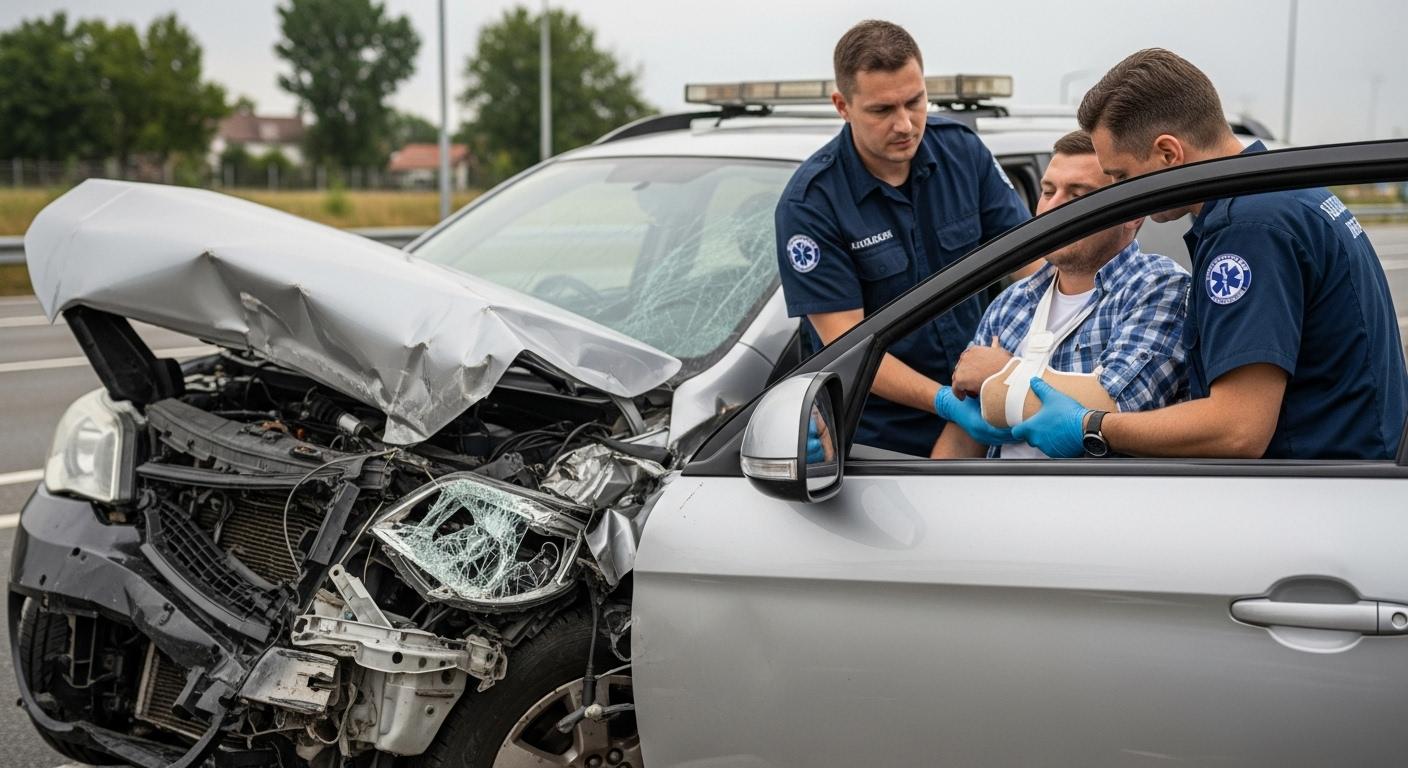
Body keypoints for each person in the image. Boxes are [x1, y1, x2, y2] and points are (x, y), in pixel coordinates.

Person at [1015, 48, 1408, 460]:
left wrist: (1090, 426)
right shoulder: (1286, 189)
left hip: (1315, 496)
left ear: (1169, 154)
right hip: (1351, 481)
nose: (1119, 195)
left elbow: (1238, 430)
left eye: (1122, 177)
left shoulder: (1247, 229)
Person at [775, 19, 1031, 457]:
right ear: (842, 105)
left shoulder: (962, 153)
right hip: (878, 441)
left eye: (915, 102)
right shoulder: (812, 204)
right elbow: (848, 346)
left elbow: (1035, 263)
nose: (905, 124)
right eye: (882, 110)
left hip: (985, 415)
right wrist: (944, 401)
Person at [931, 130, 1189, 458]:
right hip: (996, 503)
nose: (1053, 208)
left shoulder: (1158, 288)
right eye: (1048, 191)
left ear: (1132, 213)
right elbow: (960, 442)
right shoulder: (1011, 304)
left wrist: (1003, 375)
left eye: (1078, 194)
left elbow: (1120, 407)